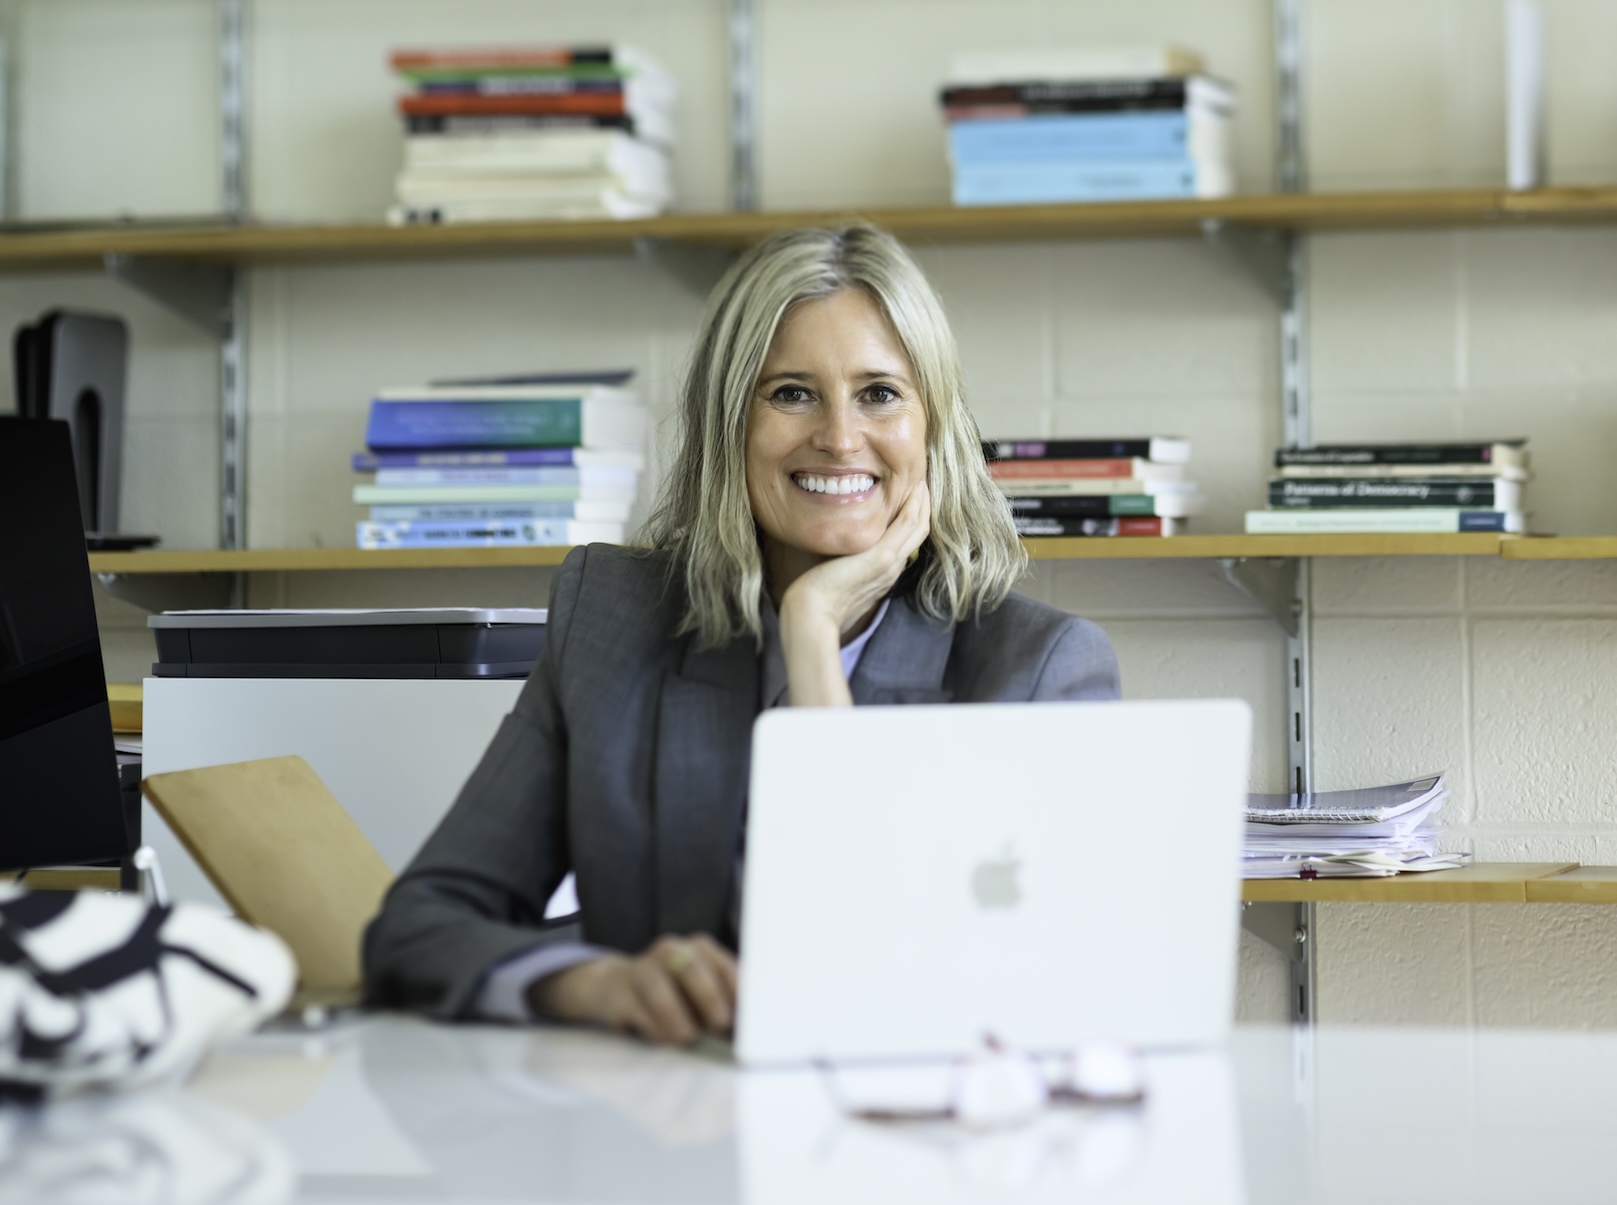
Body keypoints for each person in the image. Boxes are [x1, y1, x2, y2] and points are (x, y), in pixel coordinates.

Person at [362, 224, 1121, 1045]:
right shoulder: (613, 618)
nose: (838, 436)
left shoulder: (1039, 670)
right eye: (791, 391)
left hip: (905, 1147)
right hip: (660, 1136)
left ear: (933, 428)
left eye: (879, 393)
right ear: (731, 421)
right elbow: (419, 925)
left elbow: (947, 982)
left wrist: (812, 630)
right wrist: (594, 983)